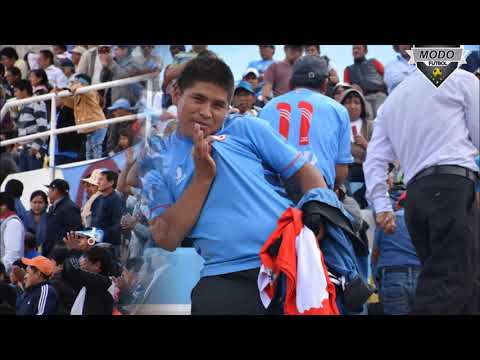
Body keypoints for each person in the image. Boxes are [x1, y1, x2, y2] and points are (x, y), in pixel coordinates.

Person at [142, 56, 342, 315]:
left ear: (228, 106)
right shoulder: (157, 161)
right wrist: (203, 177)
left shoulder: (247, 128)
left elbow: (306, 172)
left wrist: (319, 216)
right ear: (177, 93)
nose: (206, 112)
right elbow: (167, 237)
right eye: (198, 99)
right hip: (225, 277)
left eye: (218, 105)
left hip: (288, 263)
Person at [363, 56, 479, 314]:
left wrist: (382, 206)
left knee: (466, 286)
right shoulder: (462, 80)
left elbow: (374, 160)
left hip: (417, 196)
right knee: (448, 283)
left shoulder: (394, 99)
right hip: (451, 188)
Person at [259, 55, 353, 200]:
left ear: (291, 83)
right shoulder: (338, 110)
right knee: (355, 215)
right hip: (318, 200)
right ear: (324, 84)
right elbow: (340, 173)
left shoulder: (267, 109)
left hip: (272, 199)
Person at [371, 184, 421, 315]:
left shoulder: (388, 221)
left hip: (393, 278)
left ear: (398, 204)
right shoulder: (424, 221)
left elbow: (375, 256)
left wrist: (379, 284)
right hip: (421, 278)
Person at [61, 73, 107, 160]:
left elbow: (81, 89)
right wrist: (60, 92)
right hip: (90, 128)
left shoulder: (90, 91)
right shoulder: (78, 96)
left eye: (74, 82)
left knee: (96, 147)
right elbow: (68, 101)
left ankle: (97, 166)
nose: (72, 84)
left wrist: (74, 87)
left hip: (97, 126)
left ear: (82, 83)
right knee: (89, 151)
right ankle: (90, 167)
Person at [340, 88, 373, 208]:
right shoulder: (337, 125)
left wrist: (365, 144)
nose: (352, 106)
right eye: (348, 102)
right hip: (344, 171)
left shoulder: (370, 126)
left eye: (356, 102)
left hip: (367, 170)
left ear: (362, 106)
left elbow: (381, 155)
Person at [62, 244, 115, 315]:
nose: (81, 262)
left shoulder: (101, 282)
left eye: (85, 259)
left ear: (97, 265)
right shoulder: (91, 281)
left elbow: (72, 270)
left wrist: (74, 252)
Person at [12, 80, 49, 171]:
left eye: (16, 91)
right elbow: (21, 127)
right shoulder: (22, 105)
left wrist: (35, 147)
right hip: (24, 149)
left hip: (34, 149)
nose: (15, 95)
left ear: (24, 91)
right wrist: (15, 113)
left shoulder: (37, 102)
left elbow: (43, 127)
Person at [344, 45, 387, 118]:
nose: (355, 50)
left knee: (381, 118)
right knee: (368, 122)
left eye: (358, 48)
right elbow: (345, 87)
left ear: (365, 51)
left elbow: (387, 76)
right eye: (354, 48)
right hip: (363, 99)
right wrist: (351, 88)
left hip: (379, 95)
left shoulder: (374, 62)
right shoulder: (348, 69)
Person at [43, 179, 82, 257]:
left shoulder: (69, 207)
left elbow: (72, 232)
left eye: (49, 190)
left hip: (61, 255)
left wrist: (60, 250)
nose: (48, 194)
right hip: (51, 252)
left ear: (55, 191)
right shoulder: (53, 207)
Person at [91, 170, 125, 257]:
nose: (98, 182)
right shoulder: (97, 199)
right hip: (95, 243)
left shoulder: (116, 201)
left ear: (111, 182)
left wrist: (100, 235)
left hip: (109, 246)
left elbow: (117, 225)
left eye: (101, 180)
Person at [0, 192, 25, 274]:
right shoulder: (4, 221)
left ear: (4, 206)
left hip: (7, 275)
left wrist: (2, 270)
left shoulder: (13, 223)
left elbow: (12, 254)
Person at [48, 245, 77, 315]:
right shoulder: (73, 279)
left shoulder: (55, 284)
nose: (47, 264)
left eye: (50, 261)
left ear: (60, 266)